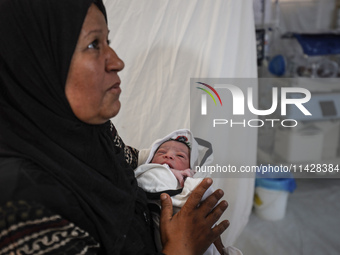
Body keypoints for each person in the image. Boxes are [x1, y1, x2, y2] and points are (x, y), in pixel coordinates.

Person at [0, 0, 232, 254]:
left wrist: (169, 155)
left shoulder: (92, 130)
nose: (117, 62)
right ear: (36, 62)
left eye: (107, 42)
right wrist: (182, 247)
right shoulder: (21, 208)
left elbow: (129, 156)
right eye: (92, 45)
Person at [135, 129, 241, 255]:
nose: (168, 155)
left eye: (180, 156)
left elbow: (205, 198)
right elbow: (150, 179)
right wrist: (169, 171)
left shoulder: (191, 181)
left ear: (190, 169)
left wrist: (191, 181)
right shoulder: (146, 173)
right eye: (161, 152)